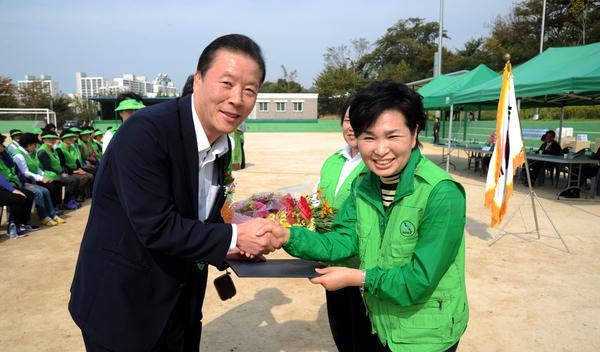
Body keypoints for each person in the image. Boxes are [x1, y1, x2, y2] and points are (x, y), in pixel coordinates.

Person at [69, 34, 280, 352]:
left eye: (249, 90)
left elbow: (195, 217)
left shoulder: (222, 145)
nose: (237, 98)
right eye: (226, 83)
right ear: (198, 80)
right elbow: (157, 226)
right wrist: (235, 237)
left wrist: (227, 247)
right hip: (123, 308)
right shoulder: (145, 132)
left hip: (180, 305)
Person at [260, 81, 468, 352]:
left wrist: (356, 278)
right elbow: (344, 240)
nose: (380, 150)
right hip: (377, 321)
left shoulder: (441, 193)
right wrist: (287, 236)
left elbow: (419, 280)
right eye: (369, 137)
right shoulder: (363, 184)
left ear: (415, 133)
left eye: (392, 136)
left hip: (424, 336)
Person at [313, 96, 374, 352]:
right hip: (330, 263)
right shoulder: (332, 161)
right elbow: (317, 201)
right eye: (347, 119)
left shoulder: (375, 167)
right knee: (340, 330)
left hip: (360, 268)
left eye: (358, 120)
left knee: (363, 335)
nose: (351, 126)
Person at [12, 133, 65, 226]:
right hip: (25, 182)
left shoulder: (29, 153)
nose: (36, 147)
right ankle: (44, 216)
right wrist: (41, 178)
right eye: (34, 145)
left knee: (48, 189)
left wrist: (45, 176)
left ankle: (52, 214)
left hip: (33, 179)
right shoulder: (18, 156)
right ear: (29, 145)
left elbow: (37, 168)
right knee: (41, 192)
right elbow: (25, 172)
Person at [0, 134, 36, 237]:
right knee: (18, 198)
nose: (3, 146)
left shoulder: (2, 155)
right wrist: (12, 190)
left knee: (29, 194)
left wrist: (3, 153)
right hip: (3, 187)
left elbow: (11, 164)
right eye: (1, 144)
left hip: (4, 186)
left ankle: (22, 223)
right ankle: (13, 227)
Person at [37, 130, 81, 210]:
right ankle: (65, 203)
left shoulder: (53, 149)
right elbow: (48, 167)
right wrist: (60, 173)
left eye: (53, 138)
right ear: (43, 140)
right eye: (48, 138)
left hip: (57, 173)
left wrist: (63, 171)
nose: (52, 140)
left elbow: (59, 164)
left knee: (76, 179)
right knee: (71, 180)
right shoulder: (42, 151)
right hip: (49, 175)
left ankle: (69, 200)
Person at [56, 129, 94, 202]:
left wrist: (80, 169)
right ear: (63, 139)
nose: (72, 139)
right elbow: (62, 164)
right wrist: (74, 171)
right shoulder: (59, 149)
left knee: (90, 176)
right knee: (82, 178)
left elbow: (76, 160)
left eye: (72, 137)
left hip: (74, 169)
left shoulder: (72, 147)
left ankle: (78, 195)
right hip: (66, 171)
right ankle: (71, 198)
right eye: (69, 137)